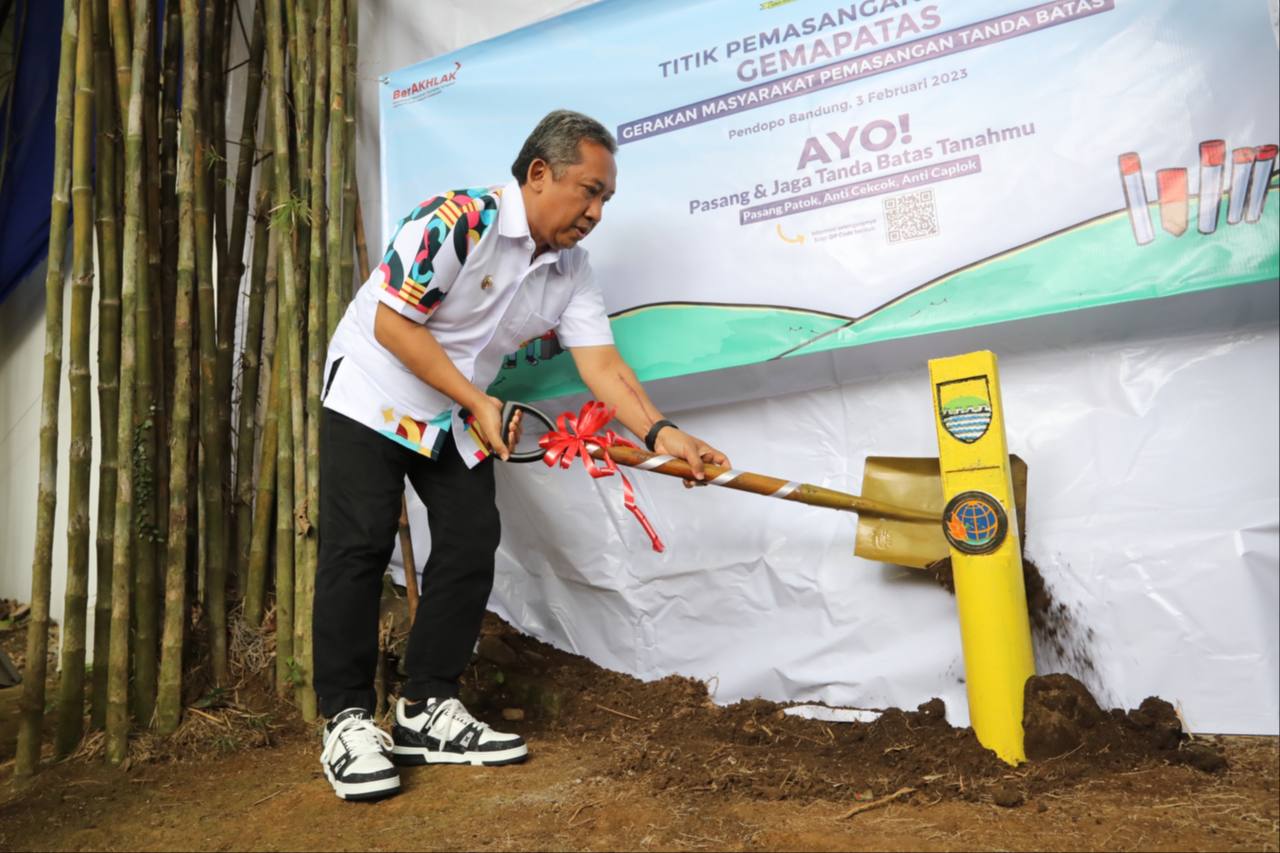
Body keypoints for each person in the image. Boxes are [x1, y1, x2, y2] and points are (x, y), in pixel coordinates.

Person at [314, 109, 730, 801]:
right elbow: (393, 322)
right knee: (356, 547)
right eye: (588, 191)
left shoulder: (571, 269)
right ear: (539, 173)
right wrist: (477, 402)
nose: (596, 212)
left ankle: (425, 708)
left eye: (606, 200)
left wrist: (663, 433)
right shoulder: (457, 219)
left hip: (454, 406)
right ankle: (348, 719)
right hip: (373, 388)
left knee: (472, 538)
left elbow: (602, 366)